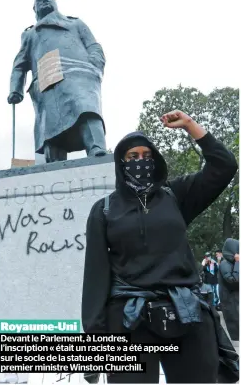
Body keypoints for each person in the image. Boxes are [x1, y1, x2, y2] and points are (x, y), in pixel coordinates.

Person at [82, 110, 238, 383]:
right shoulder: (104, 210)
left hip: (186, 312)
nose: (140, 161)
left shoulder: (175, 196)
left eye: (147, 156)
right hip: (128, 320)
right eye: (132, 157)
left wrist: (190, 125)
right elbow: (95, 278)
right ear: (121, 163)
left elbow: (224, 166)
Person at [8, 0, 106, 162]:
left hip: (80, 72)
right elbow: (19, 64)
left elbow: (93, 46)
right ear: (34, 8)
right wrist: (15, 89)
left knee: (86, 108)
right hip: (47, 77)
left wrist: (94, 65)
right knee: (50, 126)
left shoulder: (75, 23)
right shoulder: (31, 35)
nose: (45, 0)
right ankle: (54, 164)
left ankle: (97, 149)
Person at [219, 238, 239, 342]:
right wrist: (238, 263)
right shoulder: (225, 264)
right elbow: (234, 281)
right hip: (231, 302)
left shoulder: (233, 263)